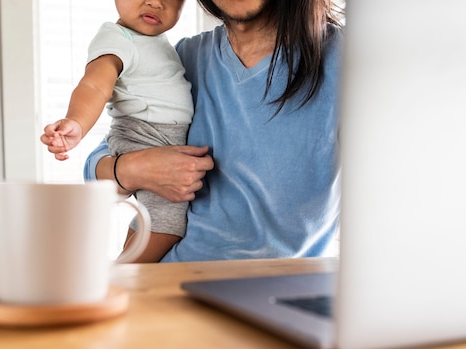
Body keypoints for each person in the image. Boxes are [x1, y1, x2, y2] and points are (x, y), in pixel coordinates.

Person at [84, 0, 344, 262]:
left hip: (270, 292)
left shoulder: (347, 60)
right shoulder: (182, 59)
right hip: (159, 280)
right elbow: (97, 169)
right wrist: (135, 169)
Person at [41, 0, 193, 262]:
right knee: (168, 223)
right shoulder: (117, 38)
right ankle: (121, 278)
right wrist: (76, 122)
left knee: (152, 217)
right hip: (144, 135)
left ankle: (120, 268)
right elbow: (95, 86)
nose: (155, 2)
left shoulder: (155, 41)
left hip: (158, 136)